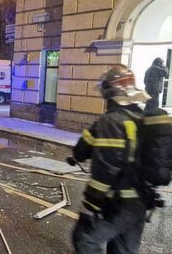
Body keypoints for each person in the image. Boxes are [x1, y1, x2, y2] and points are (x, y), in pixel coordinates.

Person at [72, 65, 151, 254]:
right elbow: (85, 147)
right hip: (141, 200)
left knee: (85, 241)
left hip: (119, 202)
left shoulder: (112, 121)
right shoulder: (140, 116)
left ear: (110, 91)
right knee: (123, 250)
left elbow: (106, 168)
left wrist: (90, 205)